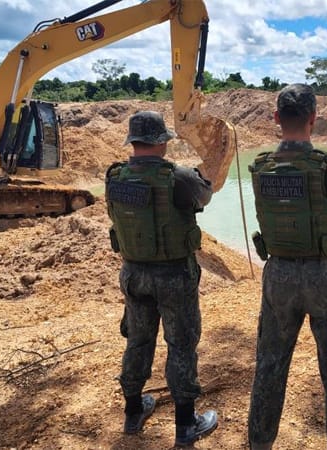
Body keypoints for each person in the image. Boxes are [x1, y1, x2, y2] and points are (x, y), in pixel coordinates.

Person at [247, 84, 327, 450]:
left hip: (279, 275)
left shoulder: (260, 167)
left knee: (270, 366)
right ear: (313, 119)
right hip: (325, 275)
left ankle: (259, 445)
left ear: (276, 119)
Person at [105, 110, 217, 447]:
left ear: (133, 141)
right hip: (173, 276)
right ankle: (186, 424)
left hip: (134, 272)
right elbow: (205, 196)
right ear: (161, 142)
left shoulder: (115, 178)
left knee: (138, 340)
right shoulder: (178, 177)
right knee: (181, 344)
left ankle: (133, 411)